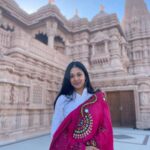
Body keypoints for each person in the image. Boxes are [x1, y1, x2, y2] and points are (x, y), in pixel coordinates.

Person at [49, 61, 114, 150]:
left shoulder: (96, 99)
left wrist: (92, 146)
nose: (76, 79)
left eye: (79, 74)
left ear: (85, 76)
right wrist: (81, 147)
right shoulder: (63, 100)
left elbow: (105, 127)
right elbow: (56, 131)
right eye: (72, 76)